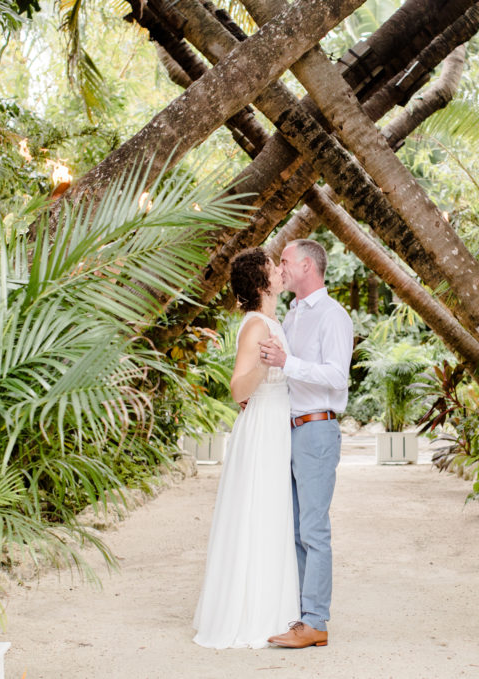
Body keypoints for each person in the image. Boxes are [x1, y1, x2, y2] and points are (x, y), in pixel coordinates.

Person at [192, 248, 300, 649]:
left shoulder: (271, 320)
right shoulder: (256, 326)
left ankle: (272, 606)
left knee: (272, 515)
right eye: (273, 267)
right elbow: (238, 387)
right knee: (259, 513)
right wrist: (266, 365)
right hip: (262, 428)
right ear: (262, 283)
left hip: (276, 422)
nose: (279, 271)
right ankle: (253, 614)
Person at [259, 239, 354, 649]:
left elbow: (336, 376)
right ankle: (302, 615)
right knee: (296, 527)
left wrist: (287, 363)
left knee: (314, 528)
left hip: (317, 429)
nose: (280, 268)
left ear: (307, 266)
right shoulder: (293, 314)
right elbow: (290, 377)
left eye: (284, 261)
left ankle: (316, 621)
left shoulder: (333, 316)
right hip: (290, 428)